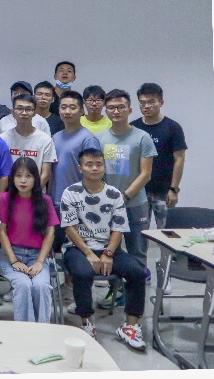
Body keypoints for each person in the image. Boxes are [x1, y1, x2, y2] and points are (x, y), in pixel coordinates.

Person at [60, 148, 147, 350]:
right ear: (80, 168)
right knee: (82, 273)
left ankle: (130, 326)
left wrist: (108, 253)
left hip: (109, 248)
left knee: (137, 272)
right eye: (89, 164)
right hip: (78, 248)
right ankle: (87, 324)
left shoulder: (114, 194)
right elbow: (69, 228)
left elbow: (118, 228)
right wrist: (89, 253)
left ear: (104, 167)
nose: (95, 168)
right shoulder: (70, 193)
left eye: (99, 164)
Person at [131, 83, 187, 292]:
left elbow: (179, 159)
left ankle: (166, 276)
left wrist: (174, 189)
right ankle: (141, 274)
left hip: (164, 191)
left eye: (151, 102)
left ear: (161, 102)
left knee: (166, 236)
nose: (146, 106)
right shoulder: (134, 127)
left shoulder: (172, 127)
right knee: (139, 236)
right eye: (142, 103)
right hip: (139, 192)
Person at [96, 90, 157, 275]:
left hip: (135, 204)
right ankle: (115, 289)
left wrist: (124, 196)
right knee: (110, 250)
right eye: (111, 108)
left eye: (121, 107)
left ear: (130, 110)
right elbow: (96, 172)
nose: (116, 111)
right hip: (107, 204)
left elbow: (146, 174)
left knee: (137, 251)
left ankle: (136, 288)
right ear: (106, 111)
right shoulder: (99, 138)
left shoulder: (142, 137)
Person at [0, 157, 59, 322]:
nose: (23, 180)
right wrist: (14, 261)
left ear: (36, 178)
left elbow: (50, 234)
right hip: (10, 256)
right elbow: (1, 232)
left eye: (28, 176)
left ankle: (42, 330)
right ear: (12, 178)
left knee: (41, 286)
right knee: (23, 285)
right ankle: (26, 332)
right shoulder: (4, 199)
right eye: (18, 175)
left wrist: (40, 262)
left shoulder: (45, 201)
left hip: (37, 256)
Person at [50, 91, 100, 207]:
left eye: (72, 108)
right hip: (55, 201)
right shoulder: (55, 137)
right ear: (59, 110)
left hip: (79, 202)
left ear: (81, 111)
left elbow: (94, 174)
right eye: (63, 107)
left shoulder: (88, 139)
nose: (67, 111)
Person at [0, 94, 57, 191]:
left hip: (36, 194)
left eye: (28, 109)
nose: (24, 113)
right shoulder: (3, 139)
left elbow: (46, 174)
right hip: (10, 194)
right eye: (19, 108)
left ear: (34, 113)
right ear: (13, 112)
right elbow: (2, 172)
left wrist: (32, 194)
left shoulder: (45, 140)